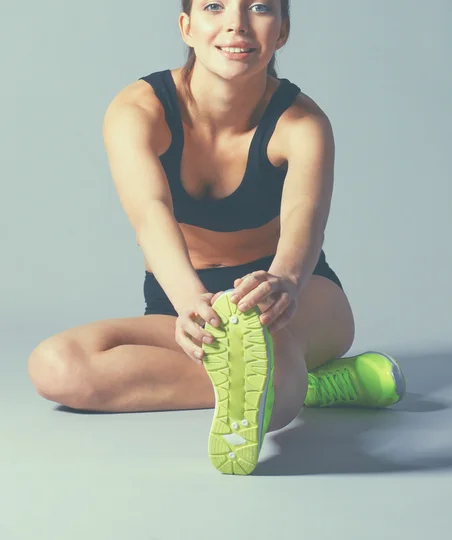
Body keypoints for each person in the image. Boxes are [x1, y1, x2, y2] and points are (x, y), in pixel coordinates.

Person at [27, 0, 406, 475]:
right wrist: (191, 302)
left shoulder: (304, 124)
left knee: (278, 375)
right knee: (57, 365)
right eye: (214, 5)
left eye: (261, 8)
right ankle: (298, 383)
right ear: (187, 27)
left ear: (282, 31)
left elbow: (304, 218)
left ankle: (285, 380)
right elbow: (150, 213)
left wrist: (284, 282)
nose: (237, 24)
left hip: (287, 297)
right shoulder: (137, 110)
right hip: (186, 299)